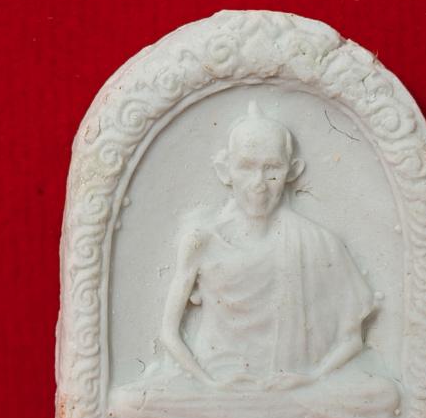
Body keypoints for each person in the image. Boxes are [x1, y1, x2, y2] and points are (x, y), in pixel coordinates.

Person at [160, 101, 375, 390]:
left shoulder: (319, 243)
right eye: (246, 167)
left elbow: (352, 339)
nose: (258, 183)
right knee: (128, 404)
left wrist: (311, 378)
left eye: (271, 168)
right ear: (225, 171)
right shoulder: (202, 241)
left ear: (292, 170)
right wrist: (210, 384)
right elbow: (169, 334)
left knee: (382, 394)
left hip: (290, 387)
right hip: (218, 384)